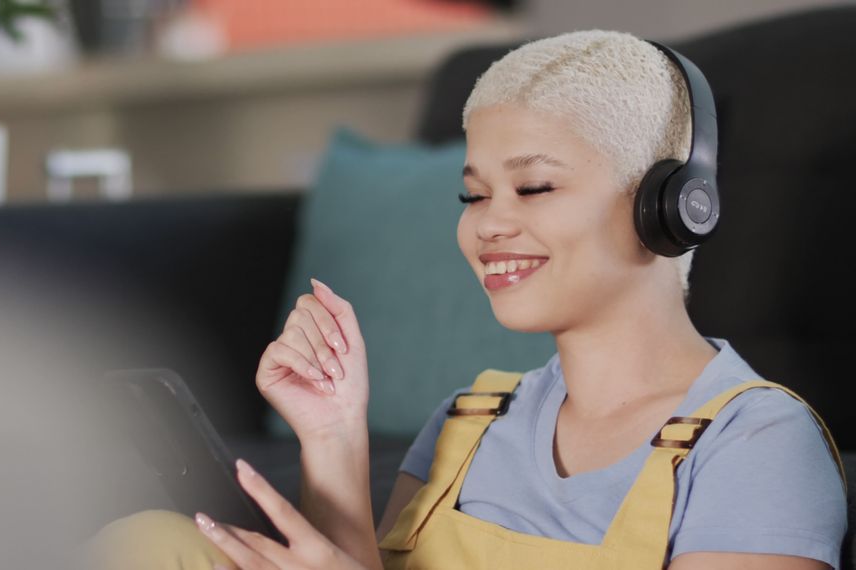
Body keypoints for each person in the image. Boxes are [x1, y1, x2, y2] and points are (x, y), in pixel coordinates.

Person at [88, 30, 847, 570]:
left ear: (672, 204)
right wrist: (333, 436)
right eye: (473, 194)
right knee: (155, 541)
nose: (489, 224)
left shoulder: (756, 444)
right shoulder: (469, 421)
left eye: (534, 186)